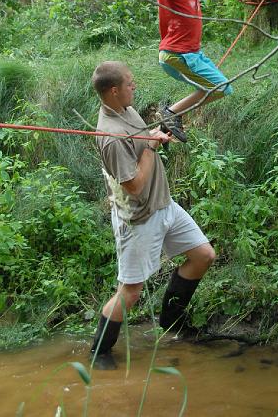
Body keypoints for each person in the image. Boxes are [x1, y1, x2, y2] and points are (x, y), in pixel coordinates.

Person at [90, 60, 215, 367]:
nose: (135, 87)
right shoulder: (110, 136)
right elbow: (133, 185)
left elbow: (152, 131)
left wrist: (200, 96)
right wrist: (150, 147)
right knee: (130, 292)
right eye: (130, 84)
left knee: (203, 256)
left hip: (165, 204)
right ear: (114, 90)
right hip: (138, 217)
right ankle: (99, 353)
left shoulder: (126, 110)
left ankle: (173, 326)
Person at [157, 0, 233, 142]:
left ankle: (168, 120)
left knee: (220, 88)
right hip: (177, 54)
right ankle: (171, 113)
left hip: (191, 54)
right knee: (220, 87)